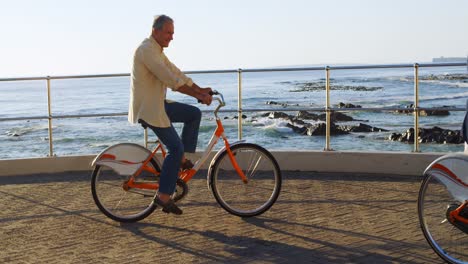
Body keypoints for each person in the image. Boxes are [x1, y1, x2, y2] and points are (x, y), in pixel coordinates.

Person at [128, 14, 213, 215]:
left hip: (159, 104)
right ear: (155, 31)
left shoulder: (157, 50)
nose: (171, 37)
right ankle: (163, 196)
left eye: (172, 33)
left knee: (193, 114)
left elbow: (176, 72)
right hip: (149, 108)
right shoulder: (146, 50)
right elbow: (170, 80)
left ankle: (182, 159)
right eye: (168, 32)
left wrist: (201, 89)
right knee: (175, 148)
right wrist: (197, 94)